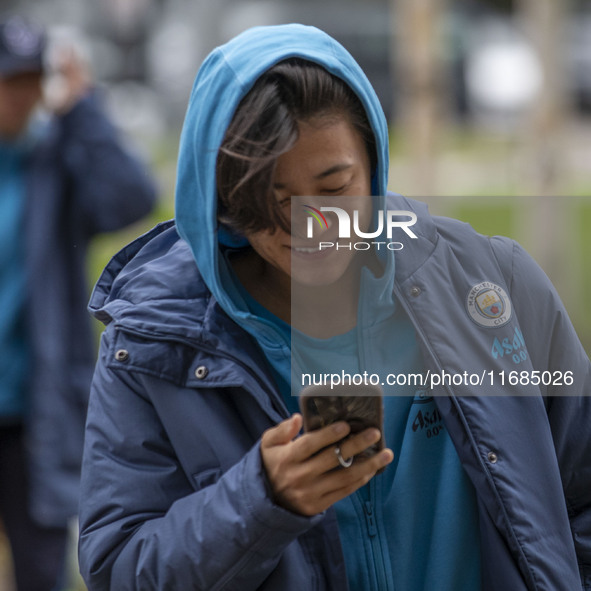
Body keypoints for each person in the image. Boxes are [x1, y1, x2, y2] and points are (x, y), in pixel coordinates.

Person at [78, 24, 591, 591]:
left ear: (374, 166)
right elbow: (118, 568)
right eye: (271, 202)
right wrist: (258, 501)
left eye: (334, 187)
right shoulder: (150, 346)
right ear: (221, 202)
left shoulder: (496, 285)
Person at [0, 14, 157, 591]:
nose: (16, 97)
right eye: (5, 82)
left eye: (27, 81)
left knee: (43, 568)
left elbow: (131, 198)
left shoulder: (55, 164)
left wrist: (83, 108)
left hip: (36, 412)